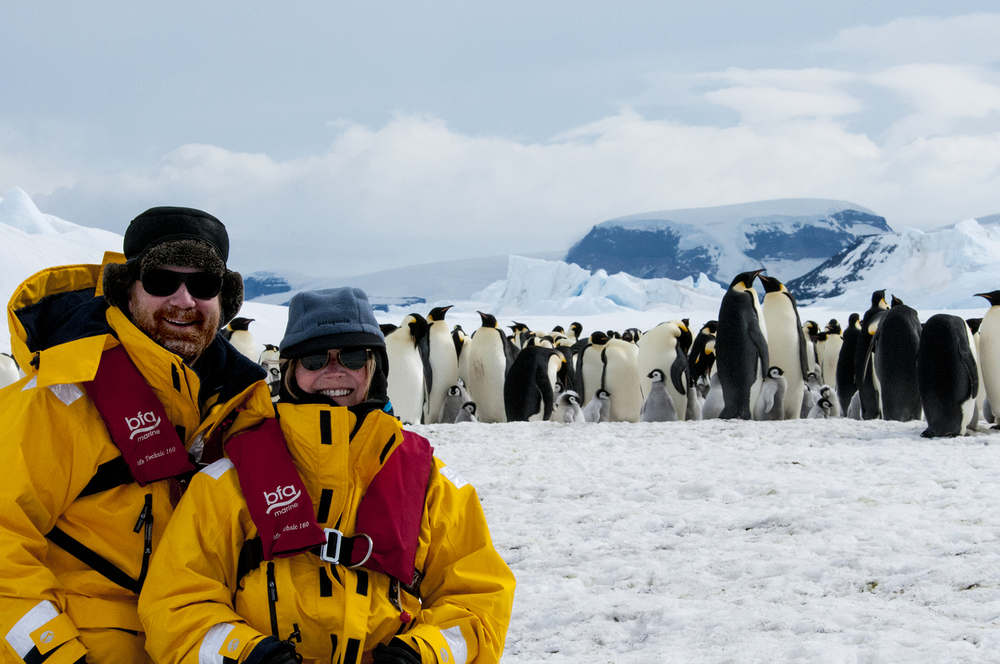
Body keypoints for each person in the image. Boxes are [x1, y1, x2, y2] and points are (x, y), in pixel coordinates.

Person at [139, 287, 516, 664]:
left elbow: (479, 595)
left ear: (374, 367)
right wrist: (247, 654)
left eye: (351, 356)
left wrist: (422, 654)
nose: (334, 370)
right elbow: (174, 603)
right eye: (315, 358)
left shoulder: (427, 480)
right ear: (290, 370)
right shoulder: (232, 478)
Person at [0, 207, 276, 664]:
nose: (184, 300)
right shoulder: (60, 396)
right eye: (161, 281)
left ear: (224, 299)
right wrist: (53, 652)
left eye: (204, 284)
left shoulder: (243, 404)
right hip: (88, 644)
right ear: (126, 288)